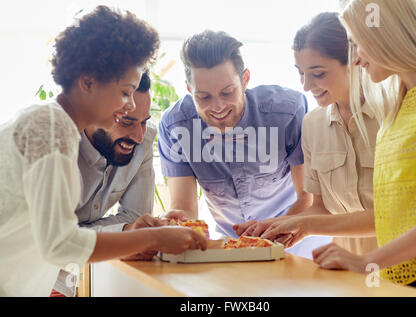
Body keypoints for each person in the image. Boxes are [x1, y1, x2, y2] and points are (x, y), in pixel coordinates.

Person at [0, 6, 206, 297]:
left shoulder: (52, 123)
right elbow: (61, 245)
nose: (130, 105)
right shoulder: (49, 128)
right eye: (125, 92)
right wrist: (154, 237)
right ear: (87, 82)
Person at [312, 0, 416, 295]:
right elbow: (393, 213)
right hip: (402, 279)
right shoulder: (399, 107)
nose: (356, 59)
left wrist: (366, 261)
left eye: (357, 43)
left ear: (386, 36)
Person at [158, 30, 330, 257]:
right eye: (204, 97)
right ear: (190, 90)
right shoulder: (175, 126)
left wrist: (272, 230)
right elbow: (184, 207)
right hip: (232, 246)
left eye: (227, 92)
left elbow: (307, 198)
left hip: (297, 241)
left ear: (245, 79)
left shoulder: (286, 111)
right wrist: (174, 223)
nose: (218, 106)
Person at [238, 12, 380, 257]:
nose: (305, 86)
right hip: (344, 270)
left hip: (405, 268)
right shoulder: (313, 125)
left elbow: (398, 214)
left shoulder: (391, 115)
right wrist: (276, 226)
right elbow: (322, 208)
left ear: (354, 60)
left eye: (318, 74)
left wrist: (305, 224)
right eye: (301, 73)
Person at [52, 70, 161, 297]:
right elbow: (55, 244)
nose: (139, 136)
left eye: (144, 122)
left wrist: (125, 232)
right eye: (127, 121)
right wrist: (127, 236)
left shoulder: (143, 140)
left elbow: (133, 218)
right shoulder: (54, 141)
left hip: (79, 273)